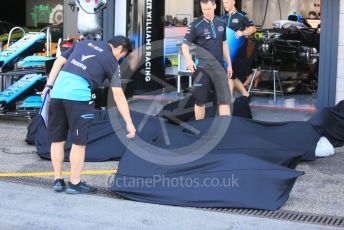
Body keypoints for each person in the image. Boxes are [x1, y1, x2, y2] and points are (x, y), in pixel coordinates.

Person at [41, 36, 136, 194]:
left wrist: (48, 86)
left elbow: (58, 61)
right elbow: (118, 95)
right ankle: (74, 183)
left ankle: (58, 180)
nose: (120, 58)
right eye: (122, 55)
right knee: (79, 143)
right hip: (78, 98)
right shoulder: (111, 60)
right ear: (120, 49)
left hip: (57, 93)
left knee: (57, 140)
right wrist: (129, 123)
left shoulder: (84, 43)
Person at [182, 0, 232, 120]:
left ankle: (226, 129)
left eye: (209, 9)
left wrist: (229, 64)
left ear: (214, 6)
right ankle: (200, 127)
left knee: (224, 100)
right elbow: (185, 45)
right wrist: (189, 60)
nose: (207, 12)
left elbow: (224, 44)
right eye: (204, 9)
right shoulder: (195, 24)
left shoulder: (222, 22)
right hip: (202, 67)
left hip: (219, 66)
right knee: (201, 100)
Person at [222, 0, 256, 97]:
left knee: (229, 75)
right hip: (225, 51)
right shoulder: (223, 17)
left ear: (233, 2)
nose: (225, 5)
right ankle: (246, 95)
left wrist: (243, 32)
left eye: (227, 2)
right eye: (224, 3)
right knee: (231, 75)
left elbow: (253, 28)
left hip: (237, 51)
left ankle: (228, 101)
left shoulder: (241, 15)